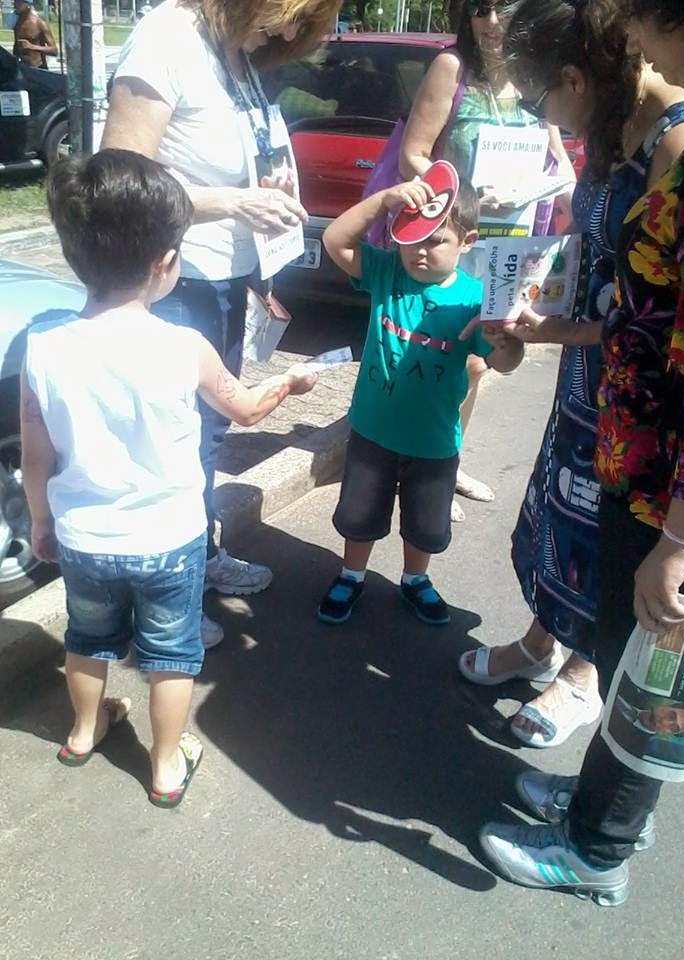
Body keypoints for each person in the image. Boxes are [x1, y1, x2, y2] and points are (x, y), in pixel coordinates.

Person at [479, 0, 684, 906]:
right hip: (645, 454)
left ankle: (596, 853)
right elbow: (648, 312)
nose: (640, 44)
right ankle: (598, 809)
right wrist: (552, 329)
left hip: (681, 479)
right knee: (629, 650)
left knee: (658, 672)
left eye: (649, 23)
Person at [20, 150, 317, 808]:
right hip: (170, 540)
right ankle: (164, 765)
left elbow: (35, 458)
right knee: (171, 655)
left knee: (86, 639)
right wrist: (290, 385)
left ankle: (83, 730)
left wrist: (41, 521)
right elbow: (245, 408)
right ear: (165, 263)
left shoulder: (43, 348)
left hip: (84, 538)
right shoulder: (185, 346)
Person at [101, 0, 341, 647]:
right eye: (289, 13)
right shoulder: (166, 38)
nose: (289, 31)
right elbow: (119, 176)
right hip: (173, 280)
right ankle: (160, 599)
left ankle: (196, 562)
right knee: (171, 447)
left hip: (227, 278)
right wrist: (232, 202)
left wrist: (261, 231)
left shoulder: (235, 49)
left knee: (203, 440)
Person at [317, 173, 524, 626]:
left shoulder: (477, 299)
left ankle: (415, 579)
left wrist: (507, 341)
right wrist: (383, 200)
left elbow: (505, 363)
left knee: (425, 525)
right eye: (410, 239)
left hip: (433, 442)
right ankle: (352, 574)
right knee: (358, 515)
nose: (420, 251)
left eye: (436, 240)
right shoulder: (387, 271)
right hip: (372, 431)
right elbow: (335, 240)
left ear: (467, 241)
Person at [399, 0, 575, 522]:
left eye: (503, 8)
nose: (492, 23)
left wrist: (542, 189)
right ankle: (415, 465)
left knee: (478, 362)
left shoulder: (534, 76)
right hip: (456, 240)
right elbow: (413, 154)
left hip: (510, 249)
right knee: (439, 354)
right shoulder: (452, 68)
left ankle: (445, 462)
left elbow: (561, 166)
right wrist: (463, 196)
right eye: (480, 10)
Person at [13, 0, 57, 68]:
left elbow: (54, 51)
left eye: (18, 2)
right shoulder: (18, 23)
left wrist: (31, 46)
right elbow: (16, 49)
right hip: (23, 68)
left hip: (39, 68)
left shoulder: (40, 23)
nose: (14, 5)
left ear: (27, 5)